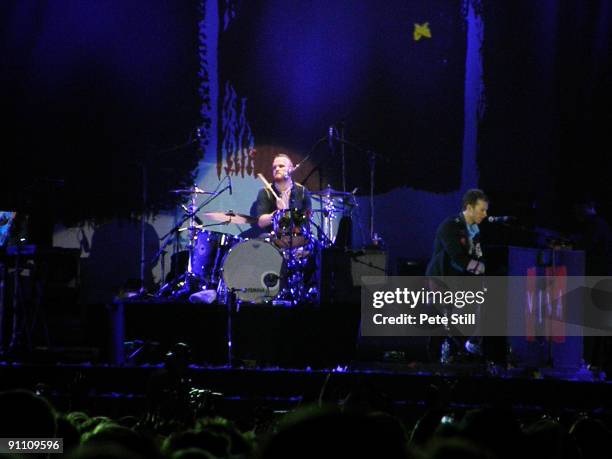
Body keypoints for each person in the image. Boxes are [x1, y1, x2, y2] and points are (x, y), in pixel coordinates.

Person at [426, 189, 489, 358]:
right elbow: (458, 256)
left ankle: (464, 351)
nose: (485, 214)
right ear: (469, 207)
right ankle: (433, 361)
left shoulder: (475, 230)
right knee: (441, 324)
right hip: (441, 279)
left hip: (459, 281)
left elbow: (477, 255)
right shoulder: (450, 225)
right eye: (481, 209)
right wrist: (484, 269)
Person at [256, 154, 312, 230]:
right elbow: (261, 222)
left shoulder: (302, 191)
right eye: (274, 167)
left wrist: (288, 213)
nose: (277, 169)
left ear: (291, 169)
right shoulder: (265, 191)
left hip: (298, 237)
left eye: (281, 166)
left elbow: (307, 219)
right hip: (272, 238)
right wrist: (278, 213)